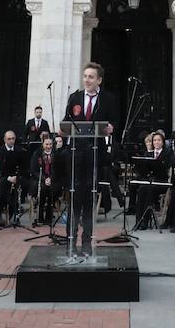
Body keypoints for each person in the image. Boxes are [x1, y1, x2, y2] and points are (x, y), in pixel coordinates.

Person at [64, 62, 119, 258]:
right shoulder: (75, 98)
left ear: (99, 80)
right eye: (85, 76)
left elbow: (114, 122)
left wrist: (111, 128)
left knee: (89, 199)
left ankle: (87, 241)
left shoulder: (108, 99)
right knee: (74, 199)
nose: (87, 80)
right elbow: (66, 121)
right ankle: (71, 240)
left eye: (91, 77)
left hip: (95, 154)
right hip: (76, 154)